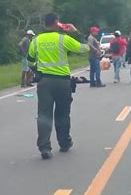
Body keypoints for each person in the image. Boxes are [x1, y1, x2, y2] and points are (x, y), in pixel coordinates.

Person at [27, 12, 89, 159]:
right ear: (57, 22)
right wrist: (76, 32)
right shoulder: (63, 38)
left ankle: (44, 148)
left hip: (44, 83)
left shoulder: (36, 40)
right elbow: (85, 48)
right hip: (62, 82)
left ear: (44, 23)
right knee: (62, 114)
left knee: (44, 115)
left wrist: (39, 71)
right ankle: (64, 143)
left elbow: (29, 61)